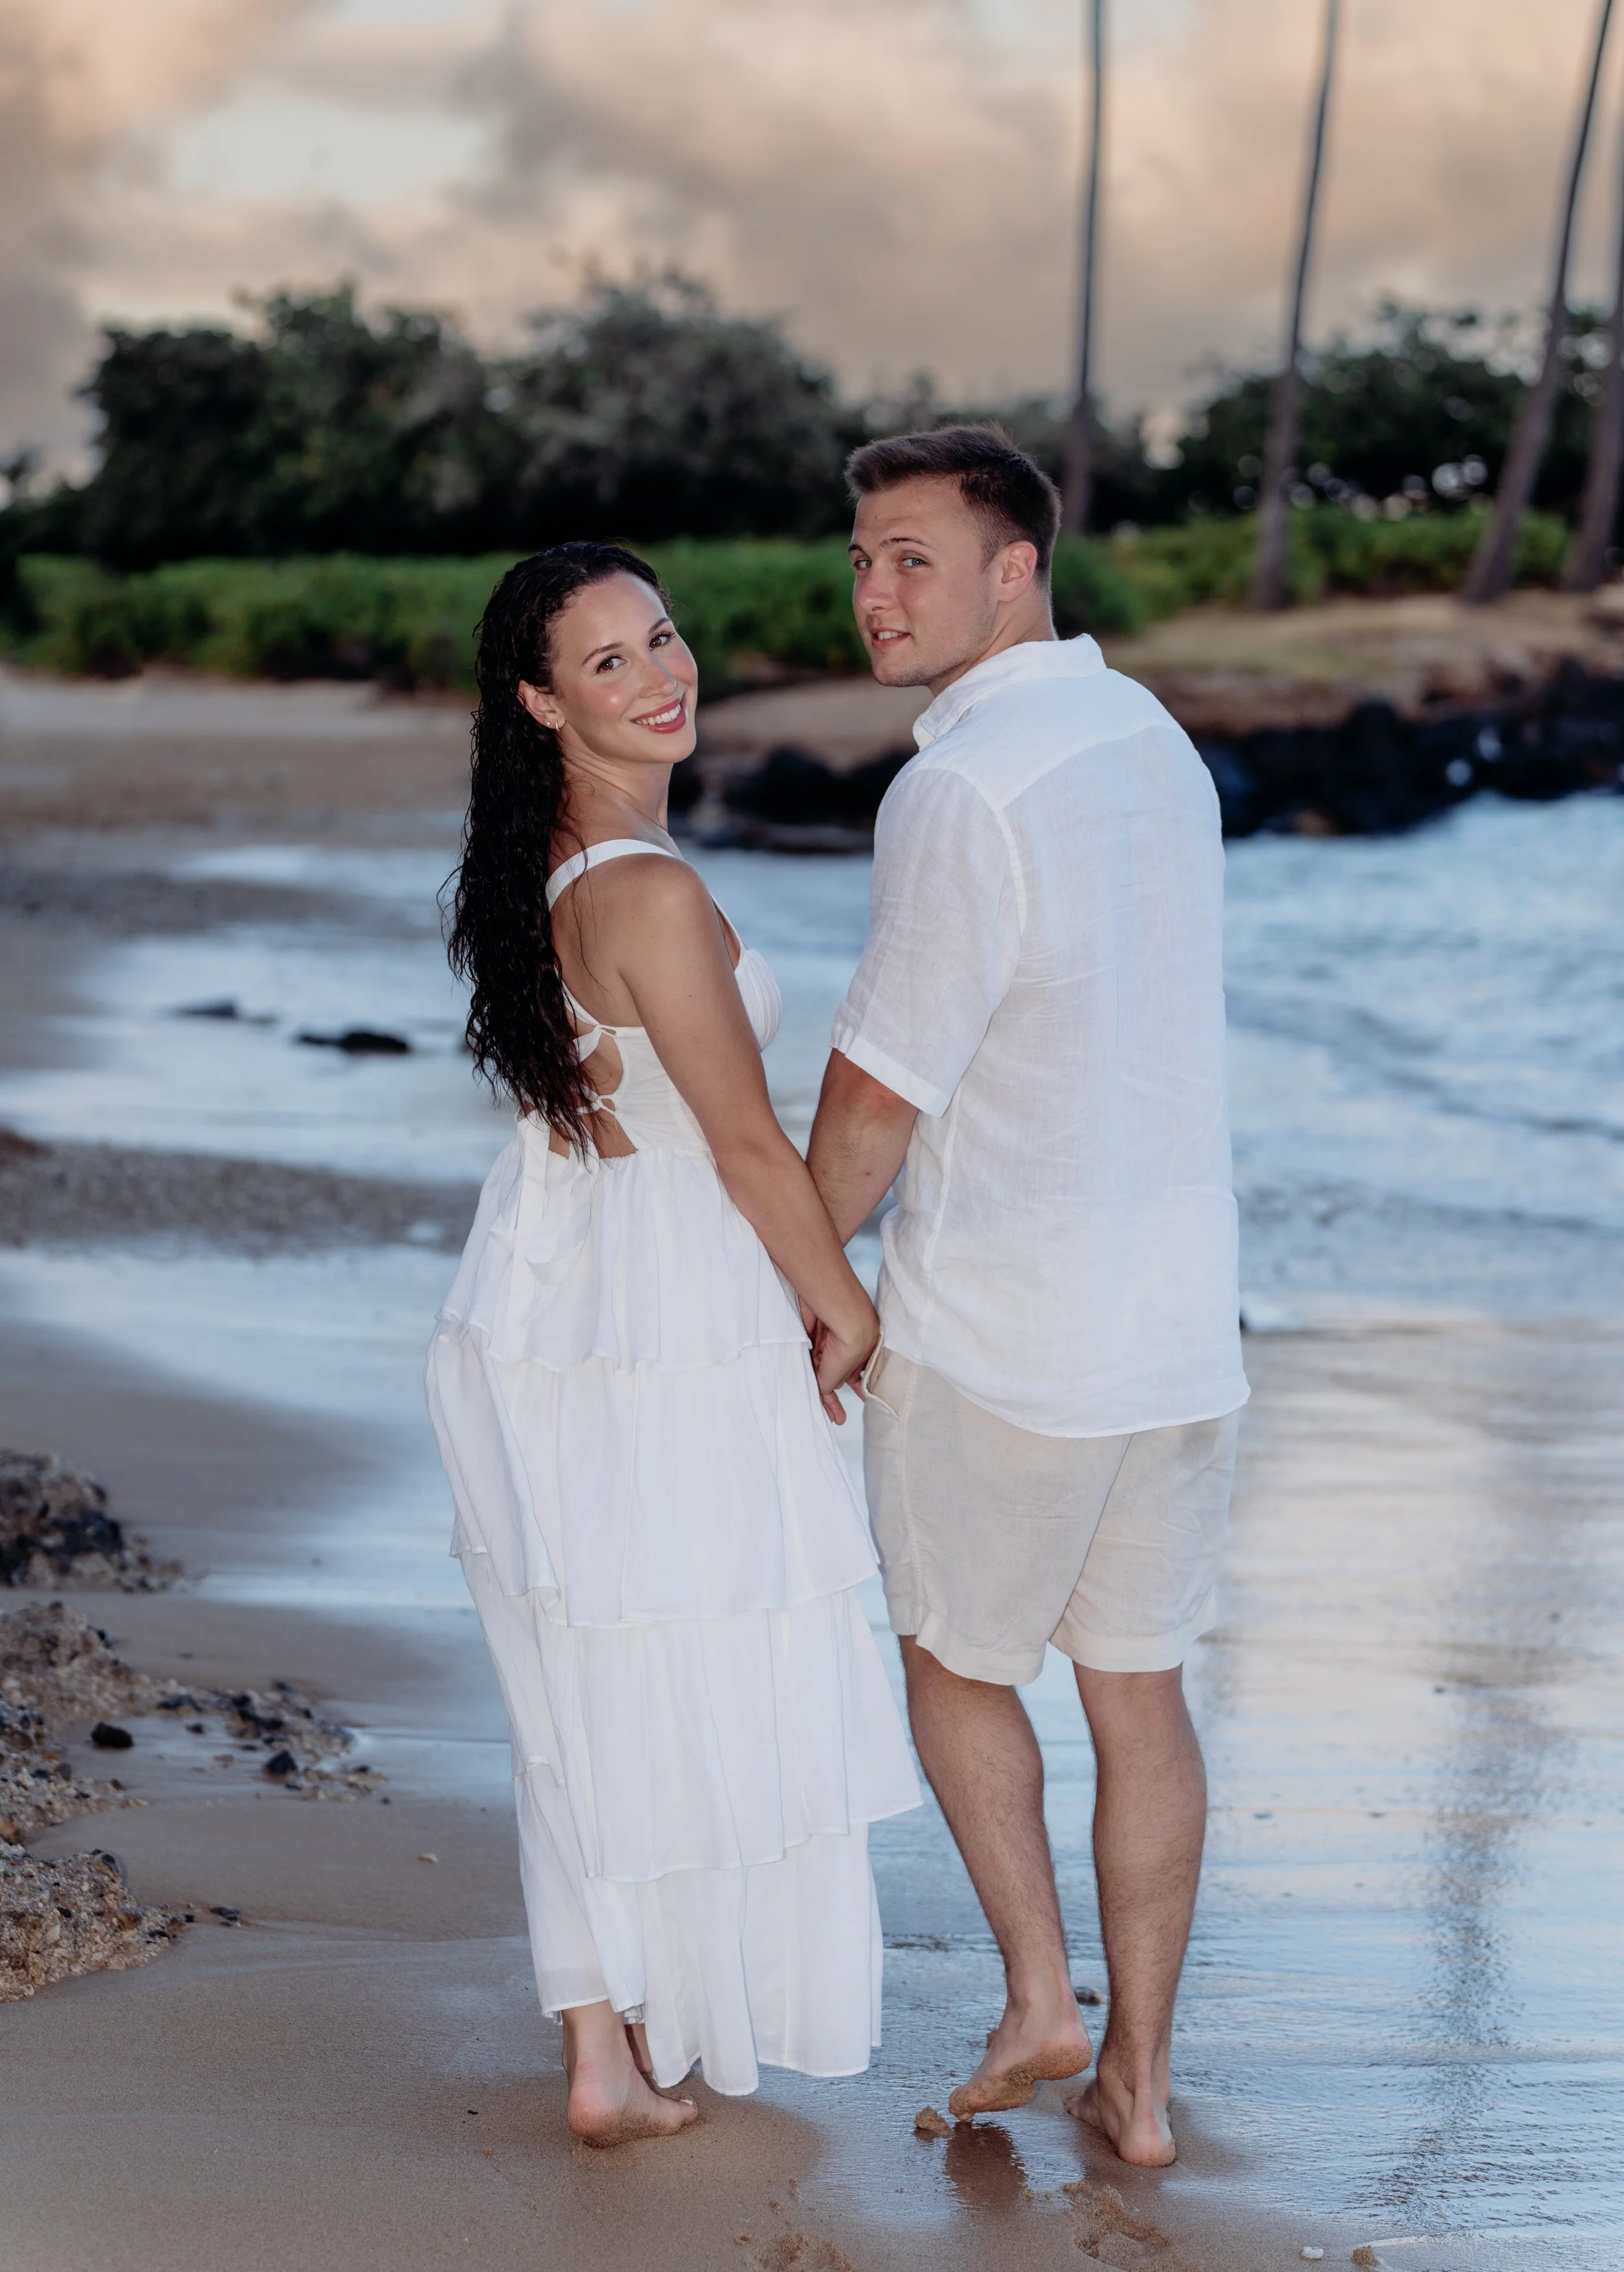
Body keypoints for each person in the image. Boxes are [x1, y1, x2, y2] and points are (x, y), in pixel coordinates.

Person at [427, 542, 919, 2147]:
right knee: (678, 1646)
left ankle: (606, 2037)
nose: (662, 675)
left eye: (663, 637)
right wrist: (840, 1299)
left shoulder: (553, 870)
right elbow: (746, 1146)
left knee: (584, 1664)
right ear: (539, 701)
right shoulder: (644, 889)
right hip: (649, 1313)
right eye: (610, 662)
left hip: (560, 1291)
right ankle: (613, 2037)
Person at [807, 428, 1247, 2167]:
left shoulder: (960, 786)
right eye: (858, 560)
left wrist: (801, 1278)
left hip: (1003, 1329)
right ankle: (1133, 2089)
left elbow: (874, 1093)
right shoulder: (1146, 740)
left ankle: (1039, 1998)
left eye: (912, 557)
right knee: (1138, 1693)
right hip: (1176, 1327)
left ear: (1015, 568)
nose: (871, 594)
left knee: (949, 1656)